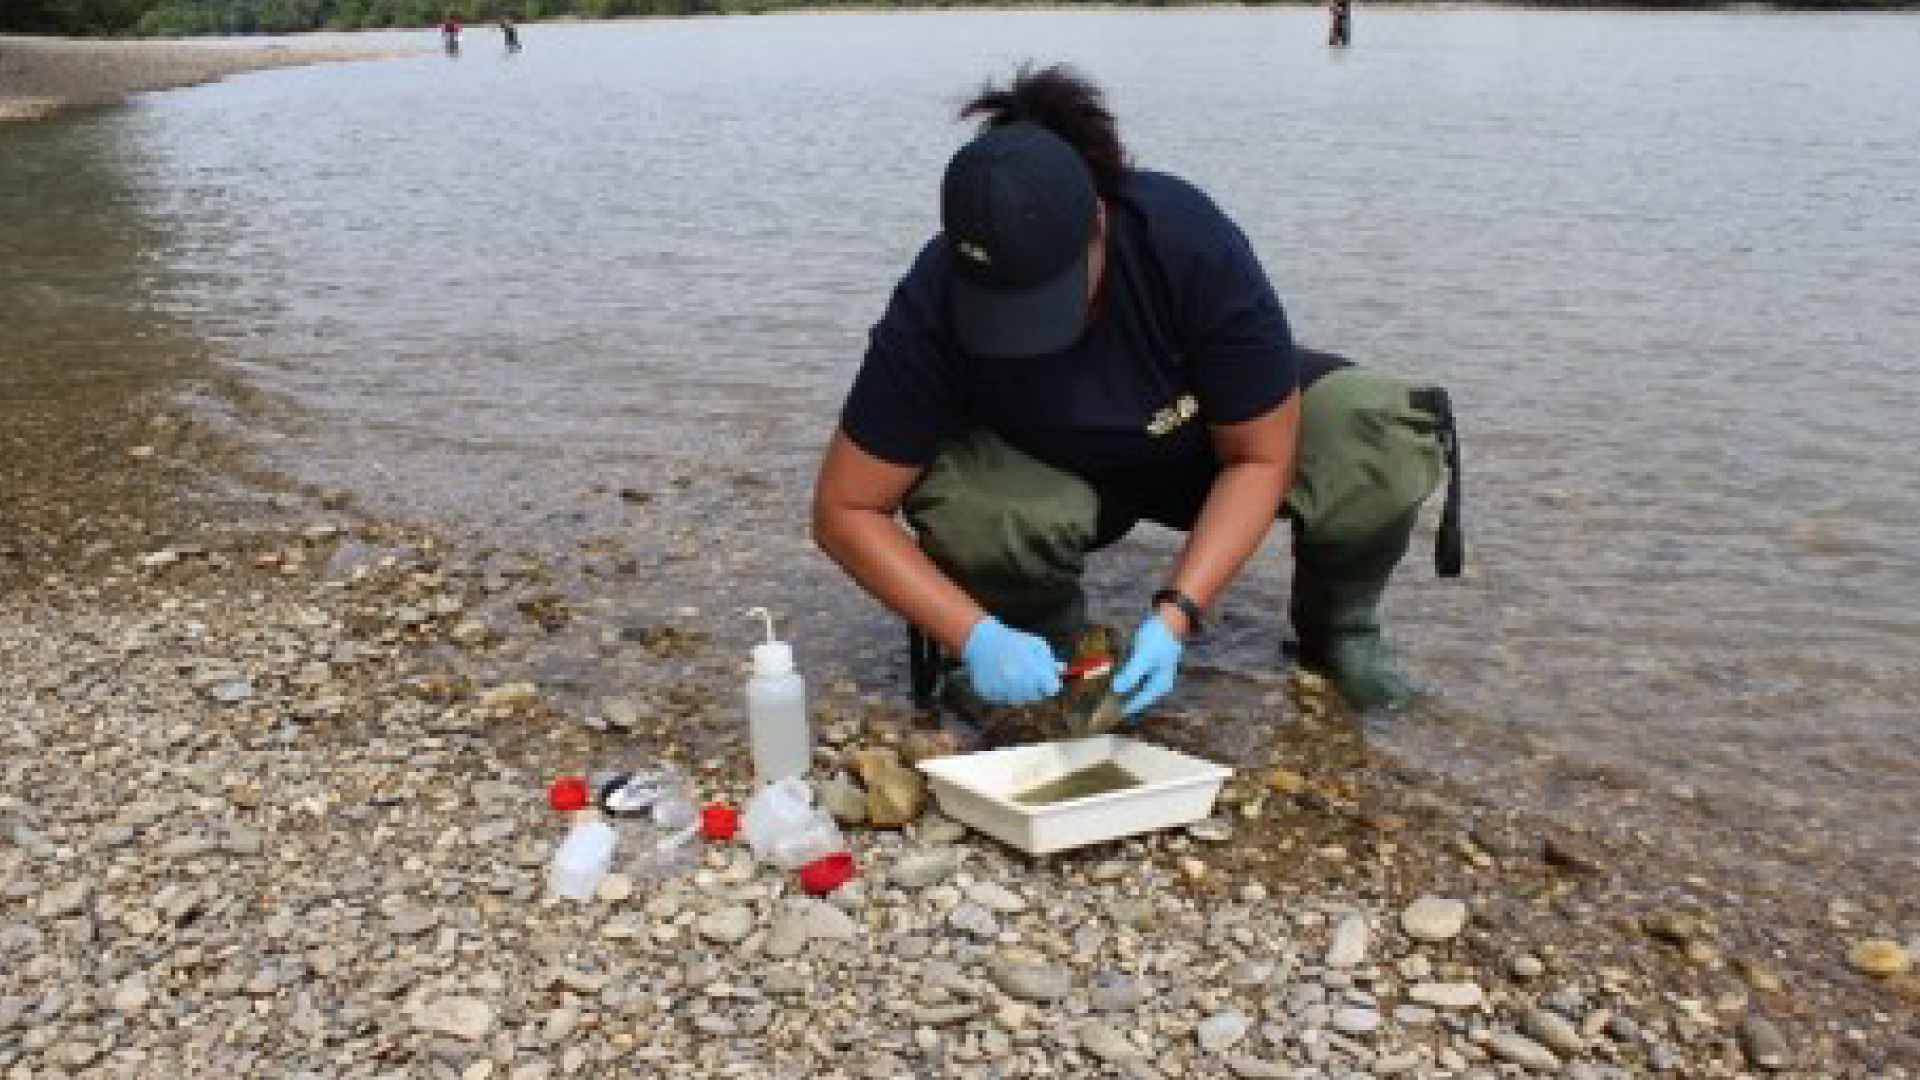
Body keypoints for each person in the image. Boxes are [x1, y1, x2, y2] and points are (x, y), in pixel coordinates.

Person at [811, 64, 1459, 719]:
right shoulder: (934, 299)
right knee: (978, 508)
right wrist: (972, 634)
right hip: (1050, 477)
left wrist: (1177, 613)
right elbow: (846, 509)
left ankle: (1339, 634)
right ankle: (1048, 653)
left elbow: (1260, 455)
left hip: (1201, 448)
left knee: (1380, 436)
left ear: (1098, 222)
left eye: (1047, 298)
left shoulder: (1186, 241)